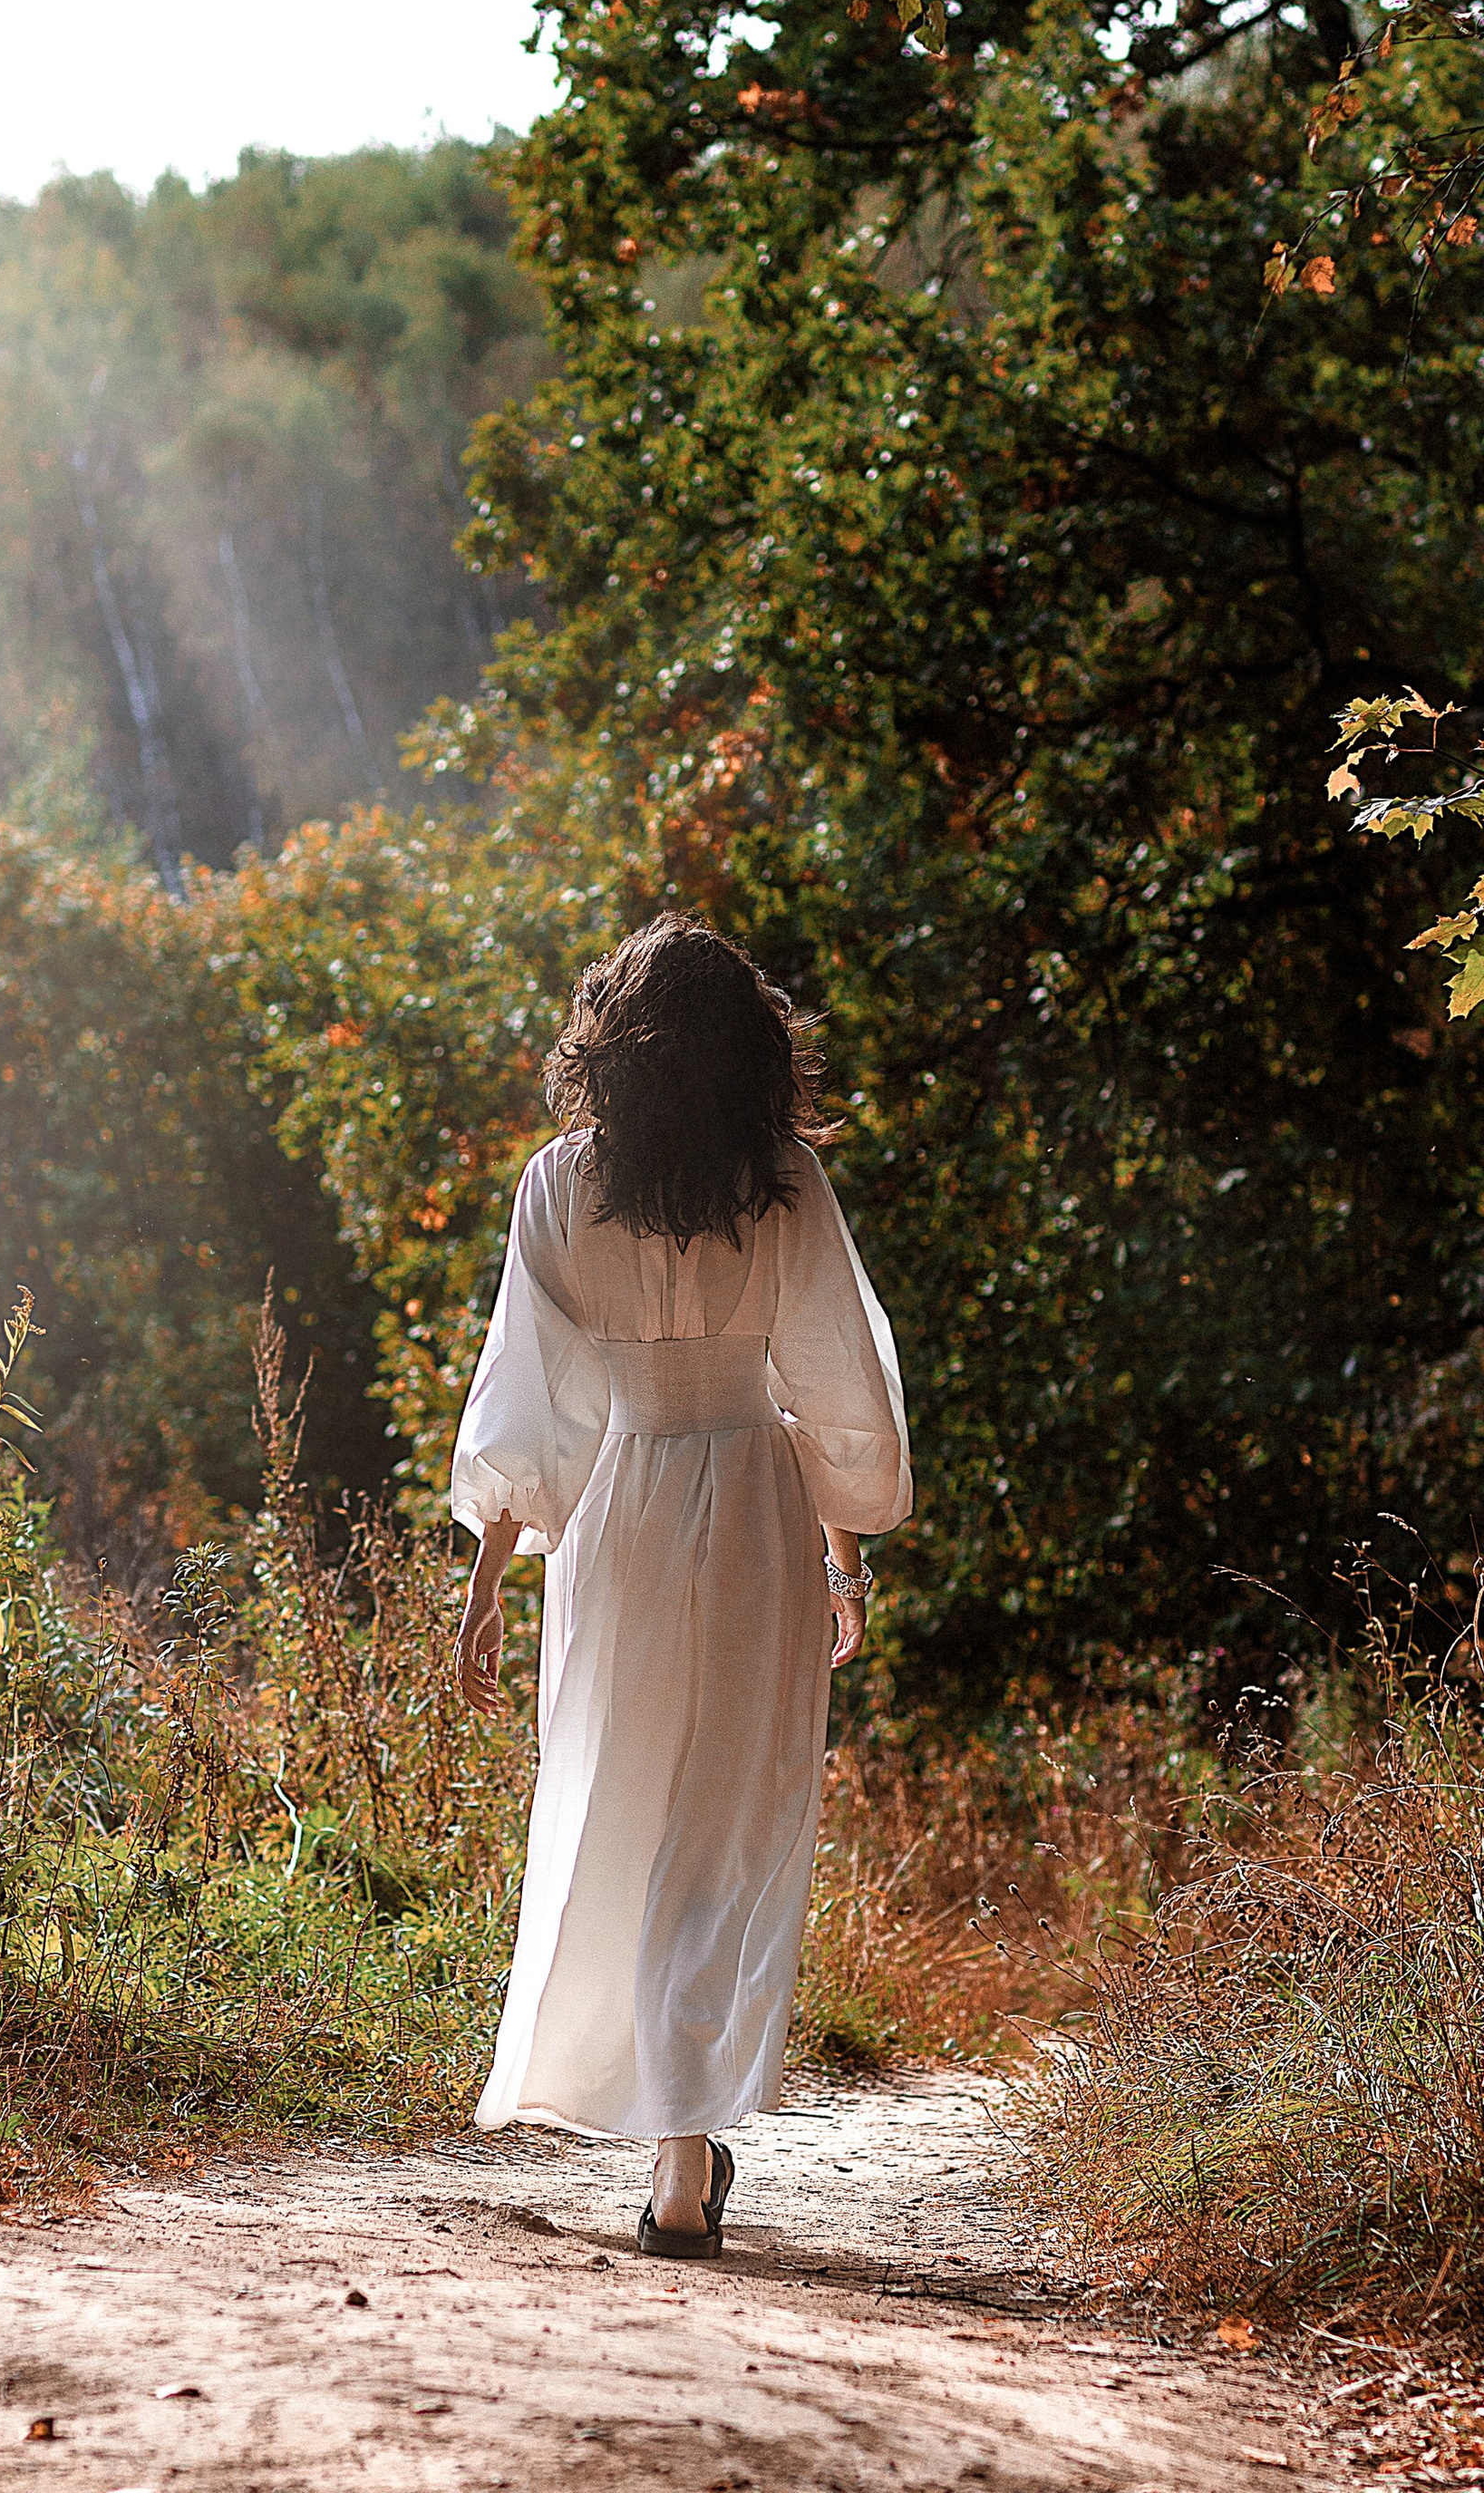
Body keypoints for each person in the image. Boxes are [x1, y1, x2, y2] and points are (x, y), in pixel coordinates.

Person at [451, 914, 911, 2258]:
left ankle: (671, 2144)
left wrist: (489, 1578)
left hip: (620, 1517)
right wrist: (846, 1561)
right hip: (760, 1511)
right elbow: (837, 1390)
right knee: (727, 1826)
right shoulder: (789, 1187)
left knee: (628, 1806)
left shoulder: (560, 1185)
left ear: (615, 1047)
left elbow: (528, 1405)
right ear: (748, 1054)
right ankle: (679, 2156)